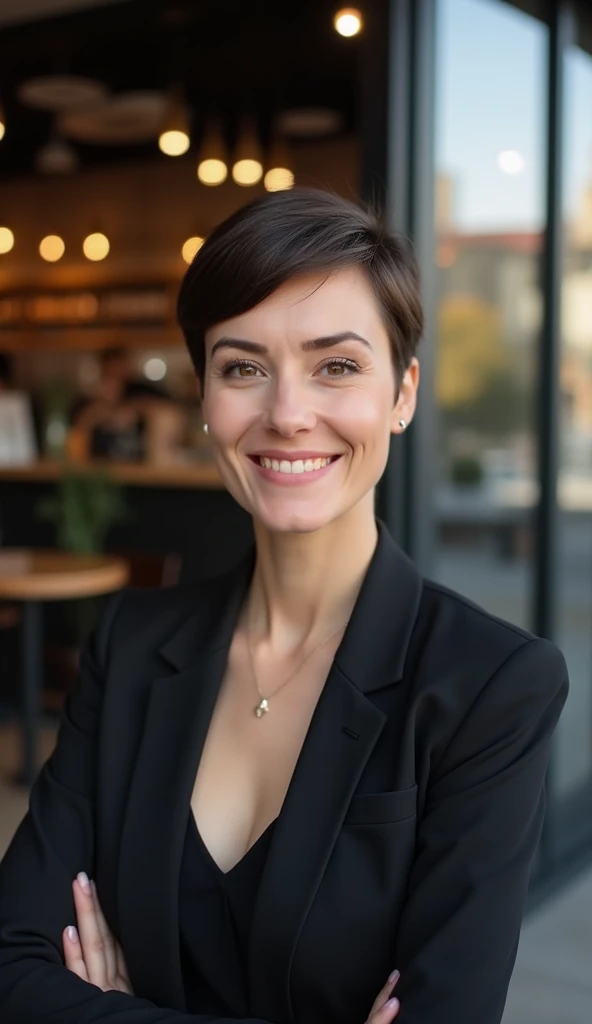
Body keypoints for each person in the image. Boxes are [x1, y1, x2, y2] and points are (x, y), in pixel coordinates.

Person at [0, 189, 568, 1024]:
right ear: (204, 400)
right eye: (242, 368)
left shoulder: (489, 687)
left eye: (336, 365)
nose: (288, 414)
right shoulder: (131, 643)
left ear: (403, 394)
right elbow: (13, 969)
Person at [70, 347, 171, 460]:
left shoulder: (141, 390)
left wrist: (132, 409)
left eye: (120, 366)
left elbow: (168, 409)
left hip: (140, 464)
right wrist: (102, 408)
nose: (116, 372)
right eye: (110, 369)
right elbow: (77, 427)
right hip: (99, 464)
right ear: (102, 369)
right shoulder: (89, 398)